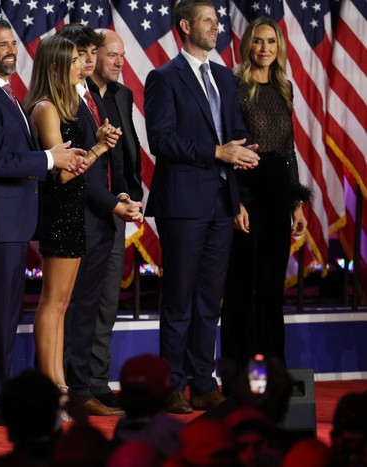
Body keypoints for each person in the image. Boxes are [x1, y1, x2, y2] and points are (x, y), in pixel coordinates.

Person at [0, 17, 86, 421]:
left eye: (13, 42)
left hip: (9, 224)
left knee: (2, 315)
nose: (12, 49)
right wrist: (51, 158)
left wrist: (54, 156)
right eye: (2, 45)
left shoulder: (5, 94)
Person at [144, 0, 259, 415]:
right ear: (186, 26)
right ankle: (171, 385)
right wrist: (217, 151)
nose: (217, 26)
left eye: (217, 20)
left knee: (211, 299)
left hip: (221, 203)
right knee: (179, 298)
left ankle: (202, 381)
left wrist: (244, 156)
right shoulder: (163, 78)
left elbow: (235, 132)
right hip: (183, 204)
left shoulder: (226, 77)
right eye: (209, 20)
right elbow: (161, 140)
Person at [55, 23, 140, 417]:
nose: (89, 61)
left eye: (92, 53)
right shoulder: (61, 101)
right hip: (81, 214)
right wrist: (110, 204)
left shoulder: (92, 95)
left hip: (104, 212)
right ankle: (74, 388)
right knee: (75, 308)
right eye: (82, 54)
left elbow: (113, 157)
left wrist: (122, 195)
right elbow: (75, 169)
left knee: (92, 306)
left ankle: (85, 385)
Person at [24, 34, 113, 408]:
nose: (82, 65)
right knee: (53, 304)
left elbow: (73, 166)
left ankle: (58, 383)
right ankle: (51, 388)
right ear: (57, 65)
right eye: (76, 60)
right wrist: (95, 148)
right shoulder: (46, 108)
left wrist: (99, 147)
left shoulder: (68, 103)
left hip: (73, 210)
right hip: (59, 211)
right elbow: (60, 172)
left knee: (62, 305)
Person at [221, 17, 311, 370]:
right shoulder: (233, 86)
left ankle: (272, 369)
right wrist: (236, 199)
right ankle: (237, 372)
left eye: (271, 42)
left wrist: (297, 204)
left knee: (272, 289)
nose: (264, 49)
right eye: (258, 41)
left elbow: (288, 151)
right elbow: (230, 145)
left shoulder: (283, 87)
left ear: (279, 47)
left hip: (277, 194)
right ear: (247, 46)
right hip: (247, 191)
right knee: (242, 287)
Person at [88, 29, 145, 409]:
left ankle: (96, 381)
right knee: (83, 301)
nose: (120, 62)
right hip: (87, 209)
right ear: (93, 56)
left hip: (117, 209)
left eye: (122, 56)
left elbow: (127, 150)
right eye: (112, 55)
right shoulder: (79, 94)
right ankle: (76, 383)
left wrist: (129, 195)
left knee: (108, 300)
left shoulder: (123, 95)